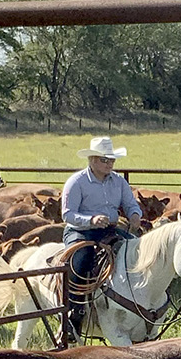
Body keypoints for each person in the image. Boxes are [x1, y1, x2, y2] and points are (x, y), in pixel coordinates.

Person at [60, 136, 143, 344]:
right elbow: (67, 215)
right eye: (105, 160)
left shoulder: (119, 181)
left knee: (137, 251)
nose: (109, 164)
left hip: (109, 230)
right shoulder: (77, 182)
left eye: (111, 160)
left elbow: (131, 203)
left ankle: (137, 303)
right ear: (92, 160)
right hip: (81, 232)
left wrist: (134, 214)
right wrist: (91, 219)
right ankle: (74, 314)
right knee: (81, 260)